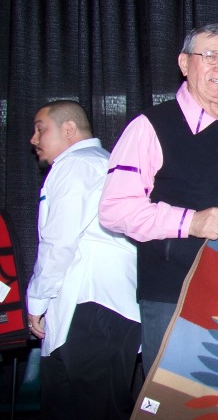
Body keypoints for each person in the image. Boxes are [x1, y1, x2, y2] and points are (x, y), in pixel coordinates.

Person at [99, 23, 218, 376]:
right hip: (176, 297)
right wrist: (190, 221)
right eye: (209, 56)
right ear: (183, 63)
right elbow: (114, 211)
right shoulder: (150, 126)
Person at [27, 100, 141, 420]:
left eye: (40, 130)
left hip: (95, 310)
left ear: (68, 129)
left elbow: (58, 242)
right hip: (88, 312)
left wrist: (37, 301)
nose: (33, 140)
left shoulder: (78, 163)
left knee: (97, 410)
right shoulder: (97, 163)